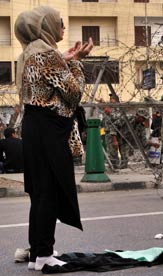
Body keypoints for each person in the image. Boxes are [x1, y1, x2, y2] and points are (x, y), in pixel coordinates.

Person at [14, 6, 93, 271]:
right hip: (50, 129)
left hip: (34, 127)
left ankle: (38, 252)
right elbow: (73, 93)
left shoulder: (30, 54)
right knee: (49, 191)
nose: (63, 26)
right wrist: (78, 62)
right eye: (59, 22)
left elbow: (46, 84)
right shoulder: (47, 55)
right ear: (45, 26)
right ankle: (45, 255)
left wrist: (65, 58)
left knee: (39, 192)